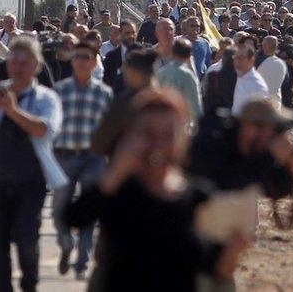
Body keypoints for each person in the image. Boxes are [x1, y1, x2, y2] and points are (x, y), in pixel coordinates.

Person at [67, 89, 250, 292]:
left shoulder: (196, 196)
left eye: (168, 135)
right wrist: (117, 169)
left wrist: (233, 250)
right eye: (148, 134)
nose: (159, 144)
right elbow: (75, 217)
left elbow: (212, 266)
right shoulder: (120, 190)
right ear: (131, 135)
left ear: (183, 138)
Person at [0, 37, 66, 292]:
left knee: (27, 240)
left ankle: (30, 284)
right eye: (13, 61)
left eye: (24, 62)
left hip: (30, 183)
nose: (18, 67)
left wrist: (13, 111)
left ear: (37, 66)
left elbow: (45, 130)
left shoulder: (47, 98)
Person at [52, 41, 113, 280]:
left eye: (86, 57)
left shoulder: (103, 92)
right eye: (77, 56)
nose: (80, 60)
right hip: (64, 156)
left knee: (90, 208)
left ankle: (82, 260)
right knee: (59, 209)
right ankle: (67, 243)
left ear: (94, 61)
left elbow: (109, 128)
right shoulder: (59, 90)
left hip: (93, 158)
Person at [91, 48, 159, 157]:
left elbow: (100, 143)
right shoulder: (168, 102)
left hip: (127, 166)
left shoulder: (125, 103)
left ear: (132, 72)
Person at [155, 38, 204, 120]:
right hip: (182, 122)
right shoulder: (188, 75)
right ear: (189, 55)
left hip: (162, 120)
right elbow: (195, 105)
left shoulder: (160, 72)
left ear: (172, 53)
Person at [232, 42, 268, 116]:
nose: (237, 60)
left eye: (241, 57)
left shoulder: (257, 85)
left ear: (251, 60)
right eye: (235, 57)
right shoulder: (234, 76)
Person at [256, 36, 288, 107]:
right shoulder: (281, 63)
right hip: (275, 101)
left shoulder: (255, 61)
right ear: (276, 46)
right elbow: (286, 81)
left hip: (259, 101)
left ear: (263, 45)